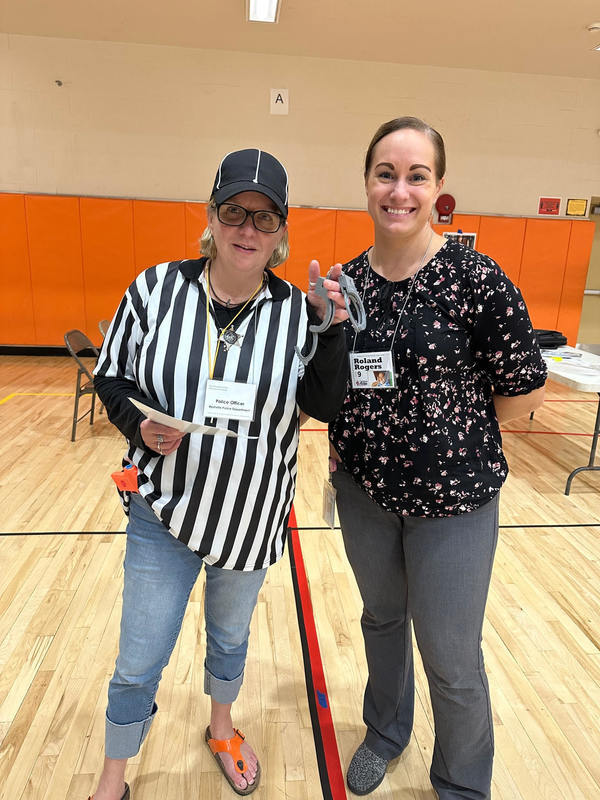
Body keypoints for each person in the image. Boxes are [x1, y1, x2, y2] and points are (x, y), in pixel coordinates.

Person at [89, 148, 349, 800]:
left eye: (265, 218)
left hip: (250, 512)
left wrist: (332, 332)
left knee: (229, 636)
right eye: (234, 211)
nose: (247, 229)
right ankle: (112, 781)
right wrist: (138, 426)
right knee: (139, 655)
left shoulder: (297, 312)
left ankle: (222, 726)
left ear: (281, 230)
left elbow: (323, 402)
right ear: (211, 215)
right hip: (165, 506)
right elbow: (112, 376)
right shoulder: (154, 289)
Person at [328, 117, 547, 798]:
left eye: (416, 176)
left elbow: (524, 387)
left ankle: (461, 784)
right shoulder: (348, 283)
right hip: (365, 492)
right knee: (381, 620)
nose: (399, 190)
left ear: (438, 187)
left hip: (455, 504)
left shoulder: (475, 278)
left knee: (451, 657)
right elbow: (339, 383)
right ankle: (386, 731)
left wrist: (458, 435)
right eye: (385, 174)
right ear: (367, 183)